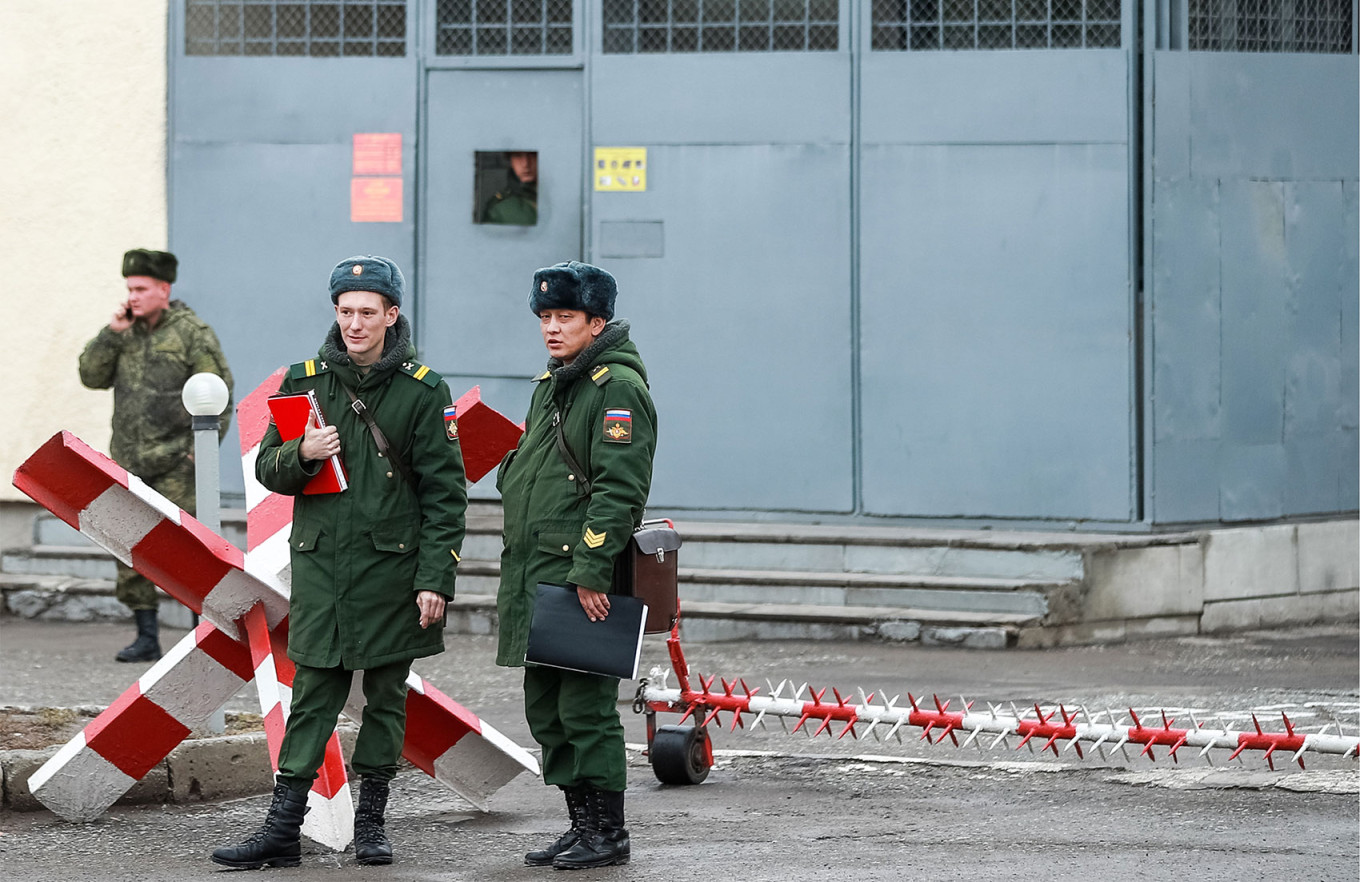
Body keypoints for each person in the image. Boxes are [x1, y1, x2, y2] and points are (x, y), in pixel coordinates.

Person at [211, 255, 467, 869]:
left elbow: (446, 493)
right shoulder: (302, 381)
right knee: (312, 695)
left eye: (367, 313)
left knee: (387, 697)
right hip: (324, 570)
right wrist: (301, 452)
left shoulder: (424, 391)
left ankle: (373, 824)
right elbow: (268, 470)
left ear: (391, 314)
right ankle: (281, 830)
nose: (355, 324)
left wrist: (436, 578)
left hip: (393, 572)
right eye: (346, 311)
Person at [495, 261, 657, 870]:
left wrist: (592, 568)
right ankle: (580, 825)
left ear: (598, 321)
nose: (552, 329)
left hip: (577, 571)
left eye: (566, 318)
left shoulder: (615, 386)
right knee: (546, 708)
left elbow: (621, 488)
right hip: (536, 568)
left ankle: (609, 835)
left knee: (585, 709)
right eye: (545, 318)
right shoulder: (556, 382)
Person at [77, 248, 234, 663]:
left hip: (175, 464)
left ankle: (201, 634)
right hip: (130, 460)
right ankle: (146, 635)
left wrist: (197, 454)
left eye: (142, 288)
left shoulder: (191, 333)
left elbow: (220, 395)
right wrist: (111, 332)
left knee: (189, 551)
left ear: (164, 289)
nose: (133, 296)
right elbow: (90, 377)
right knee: (129, 549)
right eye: (130, 288)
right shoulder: (123, 332)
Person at [482, 151, 538, 225]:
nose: (526, 164)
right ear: (510, 160)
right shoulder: (498, 208)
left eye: (532, 155)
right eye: (518, 156)